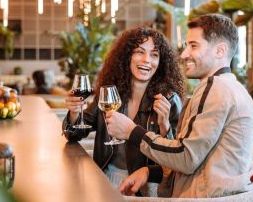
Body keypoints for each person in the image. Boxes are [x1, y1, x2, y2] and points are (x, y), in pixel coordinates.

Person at [106, 13, 253, 198]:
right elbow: (198, 161)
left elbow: (186, 157)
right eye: (186, 46)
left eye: (193, 46)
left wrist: (131, 131)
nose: (184, 54)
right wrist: (149, 172)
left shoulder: (214, 87)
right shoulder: (232, 88)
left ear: (220, 51)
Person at [63, 27, 185, 196]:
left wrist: (165, 127)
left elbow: (177, 159)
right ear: (127, 56)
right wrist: (75, 110)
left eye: (154, 54)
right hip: (105, 178)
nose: (147, 60)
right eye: (139, 52)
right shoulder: (109, 95)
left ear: (161, 62)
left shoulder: (169, 100)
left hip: (145, 187)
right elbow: (74, 135)